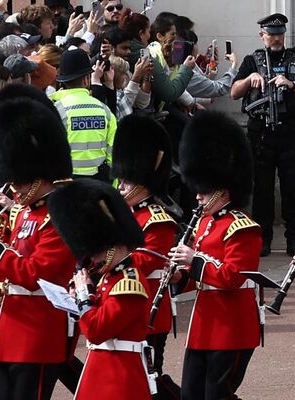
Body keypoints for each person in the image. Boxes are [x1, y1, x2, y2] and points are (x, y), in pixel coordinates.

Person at [0, 85, 78, 400]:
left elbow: (37, 275)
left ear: (39, 176)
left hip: (39, 332)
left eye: (19, 182)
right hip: (10, 330)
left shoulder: (58, 217)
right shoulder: (23, 212)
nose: (13, 187)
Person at [170, 112, 262, 400]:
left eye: (203, 190)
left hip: (231, 326)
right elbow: (198, 279)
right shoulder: (203, 223)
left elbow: (232, 277)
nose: (197, 196)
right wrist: (178, 277)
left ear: (223, 189)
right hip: (204, 325)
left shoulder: (243, 228)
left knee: (217, 395)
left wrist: (194, 260)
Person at [46, 178, 153, 400]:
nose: (92, 257)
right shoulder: (109, 279)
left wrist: (84, 295)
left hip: (119, 378)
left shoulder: (129, 283)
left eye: (95, 250)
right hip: (102, 371)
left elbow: (96, 331)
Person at [230, 13, 295, 256]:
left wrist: (291, 84)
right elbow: (234, 92)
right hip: (261, 135)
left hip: (290, 133)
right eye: (272, 34)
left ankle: (294, 238)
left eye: (280, 34)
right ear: (262, 35)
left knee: (292, 189)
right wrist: (250, 78)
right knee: (262, 190)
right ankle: (263, 238)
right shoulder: (252, 60)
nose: (277, 38)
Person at [112, 114, 182, 398]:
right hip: (121, 307)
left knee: (149, 378)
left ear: (143, 181)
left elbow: (145, 261)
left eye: (127, 182)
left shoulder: (158, 220)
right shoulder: (121, 216)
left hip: (148, 310)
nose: (121, 187)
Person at [48, 49, 115, 180]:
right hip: (99, 185)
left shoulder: (55, 109)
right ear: (86, 79)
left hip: (65, 185)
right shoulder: (104, 110)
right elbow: (113, 152)